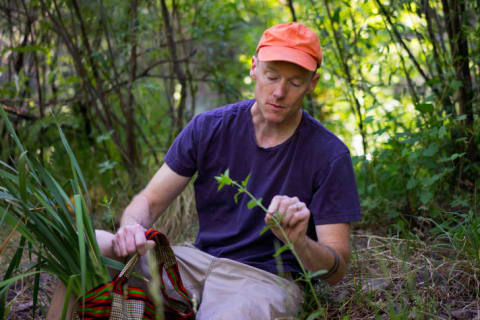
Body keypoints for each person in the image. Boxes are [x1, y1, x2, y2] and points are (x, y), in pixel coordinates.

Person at [47, 22, 361, 320]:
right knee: (85, 246)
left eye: (294, 82)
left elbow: (336, 270)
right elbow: (150, 202)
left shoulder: (329, 155)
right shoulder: (210, 127)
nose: (279, 92)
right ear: (253, 68)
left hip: (263, 280)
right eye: (271, 76)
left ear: (312, 83)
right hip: (195, 263)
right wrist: (130, 227)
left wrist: (299, 242)